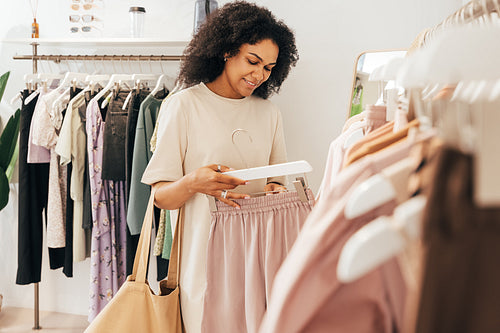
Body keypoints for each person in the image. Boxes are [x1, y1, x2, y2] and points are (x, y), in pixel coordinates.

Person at [141, 1, 298, 332]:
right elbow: (160, 198)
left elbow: (277, 182)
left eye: (269, 67)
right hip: (203, 265)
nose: (259, 74)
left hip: (260, 262)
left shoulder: (270, 115)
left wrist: (276, 189)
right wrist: (194, 182)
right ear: (227, 51)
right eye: (252, 61)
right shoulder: (182, 107)